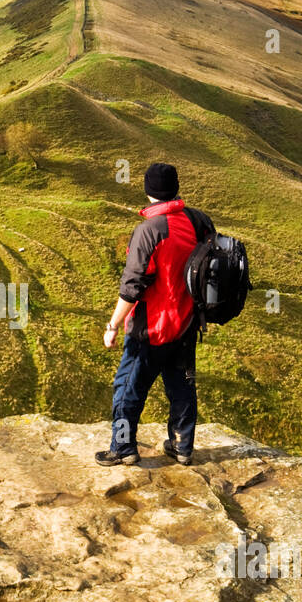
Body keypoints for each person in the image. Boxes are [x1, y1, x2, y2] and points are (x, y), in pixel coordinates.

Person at [96, 162, 214, 467]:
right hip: (186, 325)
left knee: (128, 390)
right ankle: (182, 446)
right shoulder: (200, 221)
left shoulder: (149, 231)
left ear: (148, 192)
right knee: (182, 387)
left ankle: (123, 448)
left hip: (150, 329)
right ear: (175, 189)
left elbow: (131, 287)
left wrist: (112, 325)